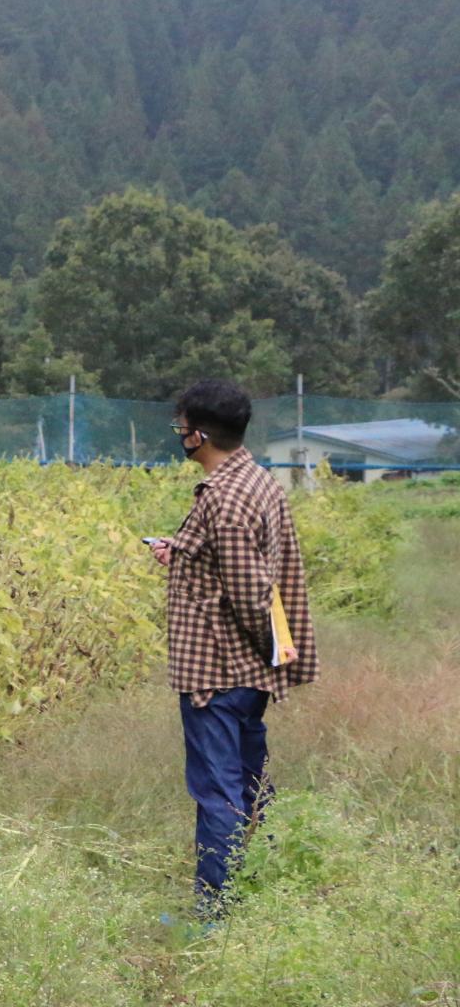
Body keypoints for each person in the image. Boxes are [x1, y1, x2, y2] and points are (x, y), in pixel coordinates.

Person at [150, 379, 315, 914]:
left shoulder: (223, 497)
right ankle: (261, 888)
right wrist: (182, 550)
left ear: (198, 436)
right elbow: (237, 561)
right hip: (246, 675)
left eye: (181, 428)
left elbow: (248, 592)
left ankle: (217, 912)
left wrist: (268, 649)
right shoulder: (257, 480)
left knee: (218, 792)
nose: (179, 436)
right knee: (249, 784)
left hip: (218, 674)